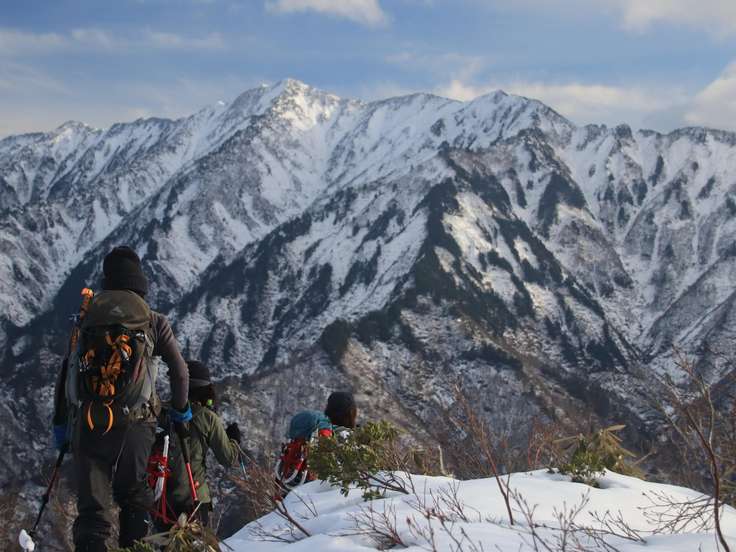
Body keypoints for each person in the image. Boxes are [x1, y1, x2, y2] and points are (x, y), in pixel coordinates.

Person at [52, 246, 191, 552]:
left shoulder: (86, 320)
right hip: (136, 425)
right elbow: (180, 373)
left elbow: (67, 373)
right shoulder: (153, 320)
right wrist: (181, 411)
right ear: (139, 281)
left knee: (93, 509)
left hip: (88, 422)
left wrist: (61, 425)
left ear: (107, 280)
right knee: (134, 496)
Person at [162, 360, 242, 528]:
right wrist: (234, 439)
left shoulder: (161, 412)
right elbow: (228, 458)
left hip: (162, 502)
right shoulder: (207, 417)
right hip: (195, 500)